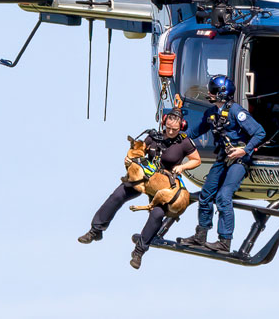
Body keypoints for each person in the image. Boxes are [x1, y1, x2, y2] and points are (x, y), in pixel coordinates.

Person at [77, 108, 201, 269]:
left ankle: (139, 251)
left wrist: (182, 167)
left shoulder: (184, 142)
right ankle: (96, 230)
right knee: (118, 195)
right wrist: (130, 158)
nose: (170, 131)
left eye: (174, 130)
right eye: (168, 128)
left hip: (162, 184)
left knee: (157, 214)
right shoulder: (153, 137)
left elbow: (196, 160)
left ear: (181, 127)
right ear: (164, 123)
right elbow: (138, 150)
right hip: (146, 178)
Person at [178, 75, 266, 253]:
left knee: (223, 196)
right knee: (206, 194)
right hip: (222, 158)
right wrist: (176, 138)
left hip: (239, 160)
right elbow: (196, 131)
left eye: (212, 91)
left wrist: (244, 150)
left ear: (221, 94)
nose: (208, 93)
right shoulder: (211, 113)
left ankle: (224, 241)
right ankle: (200, 236)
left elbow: (259, 133)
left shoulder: (236, 112)